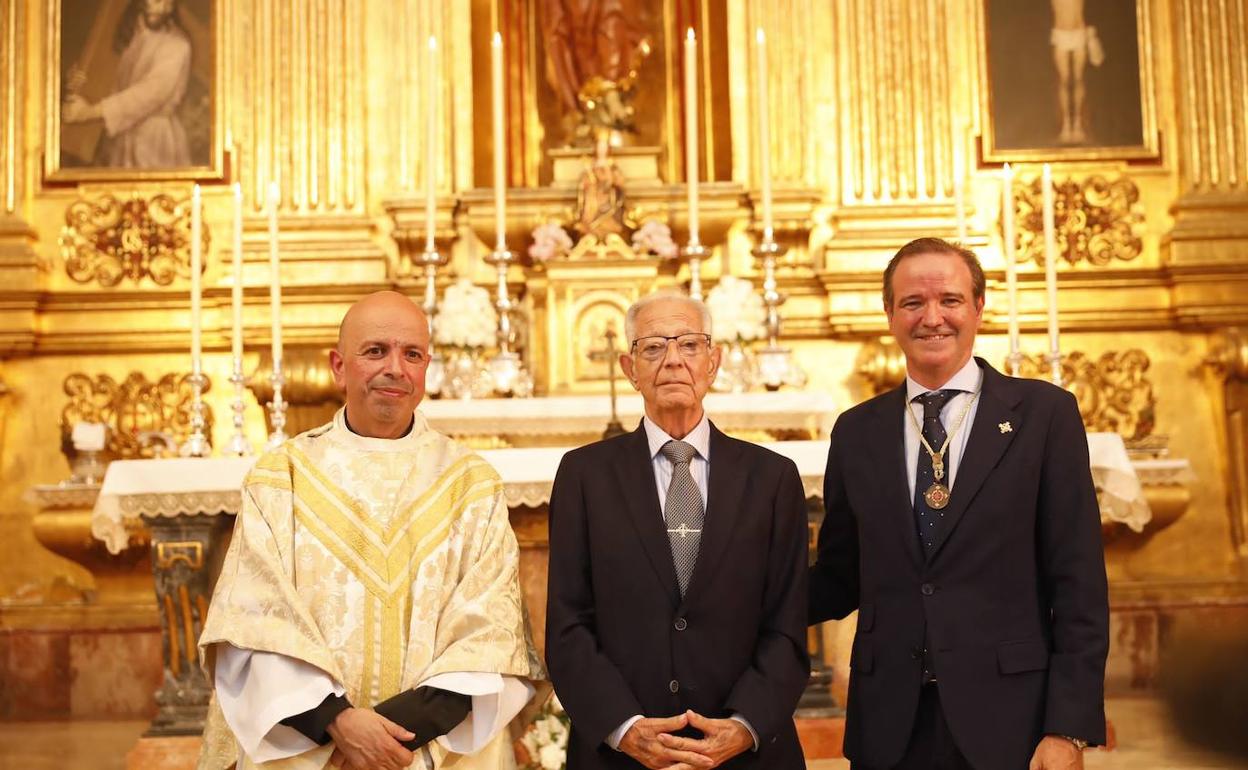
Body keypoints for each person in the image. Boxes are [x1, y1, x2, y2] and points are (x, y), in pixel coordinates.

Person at [198, 291, 544, 770]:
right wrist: (338, 724)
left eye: (413, 354)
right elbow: (254, 623)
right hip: (309, 746)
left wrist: (386, 737)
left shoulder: (471, 483)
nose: (396, 369)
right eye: (375, 351)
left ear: (427, 368)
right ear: (339, 366)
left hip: (429, 750)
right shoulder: (282, 478)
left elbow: (490, 638)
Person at [809, 237, 1109, 770]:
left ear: (977, 307)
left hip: (1010, 719)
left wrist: (1068, 728)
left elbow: (1079, 584)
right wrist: (729, 592)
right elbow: (839, 575)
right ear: (889, 314)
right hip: (889, 723)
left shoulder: (1044, 416)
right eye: (912, 303)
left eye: (949, 300)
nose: (932, 318)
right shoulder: (856, 431)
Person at [546, 291, 810, 769]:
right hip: (620, 755)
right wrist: (624, 728)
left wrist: (743, 725)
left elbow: (787, 625)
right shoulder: (584, 476)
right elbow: (568, 626)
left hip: (747, 755)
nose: (672, 361)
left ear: (714, 362)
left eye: (689, 345)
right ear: (629, 368)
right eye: (653, 348)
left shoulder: (772, 478)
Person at [62, 0, 192, 168]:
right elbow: (111, 85)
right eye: (157, 1)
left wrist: (89, 112)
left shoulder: (177, 45)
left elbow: (149, 94)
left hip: (155, 141)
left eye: (169, 3)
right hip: (121, 140)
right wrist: (77, 84)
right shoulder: (133, 37)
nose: (163, 8)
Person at [1050, 0, 1104, 144]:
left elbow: (1091, 10)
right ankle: (1066, 125)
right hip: (1061, 33)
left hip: (1079, 31)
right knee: (1064, 80)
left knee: (1079, 80)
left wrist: (1091, 35)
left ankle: (1078, 125)